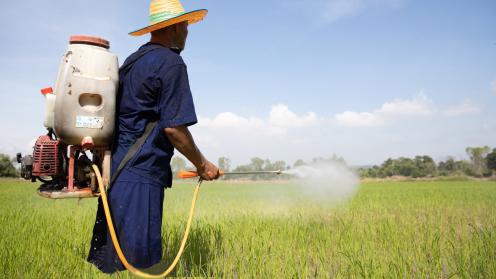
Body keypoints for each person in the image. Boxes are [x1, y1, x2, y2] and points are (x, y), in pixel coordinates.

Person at [87, 0, 220, 273]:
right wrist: (203, 165)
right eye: (185, 26)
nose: (186, 33)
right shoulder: (171, 63)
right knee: (140, 264)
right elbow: (174, 128)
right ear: (174, 27)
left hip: (116, 171)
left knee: (116, 262)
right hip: (142, 173)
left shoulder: (133, 61)